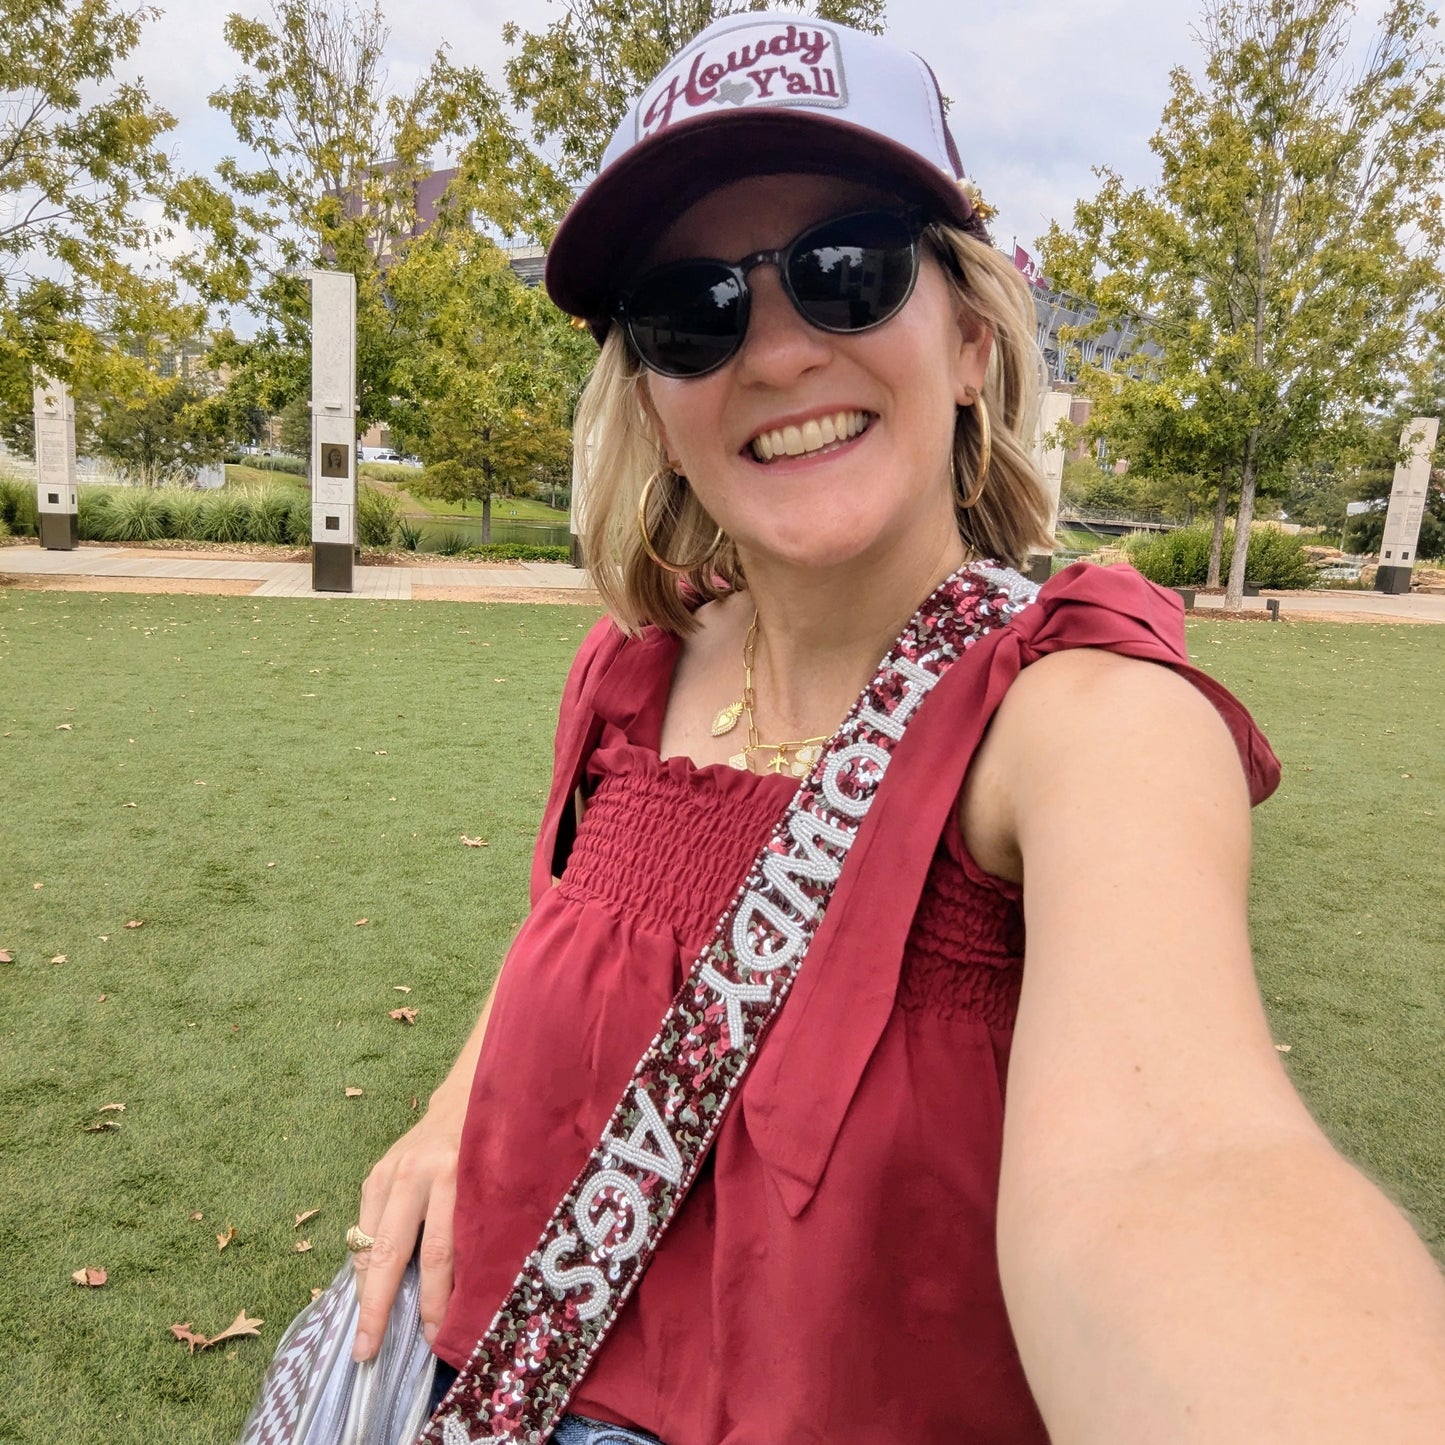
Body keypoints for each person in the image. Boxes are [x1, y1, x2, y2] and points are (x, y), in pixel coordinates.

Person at [348, 14, 1445, 1443]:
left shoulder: (1081, 716)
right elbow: (571, 917)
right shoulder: (630, 673)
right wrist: (454, 1101)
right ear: (654, 401)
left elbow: (1182, 1168)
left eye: (845, 271)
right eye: (692, 312)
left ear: (973, 339)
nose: (778, 349)